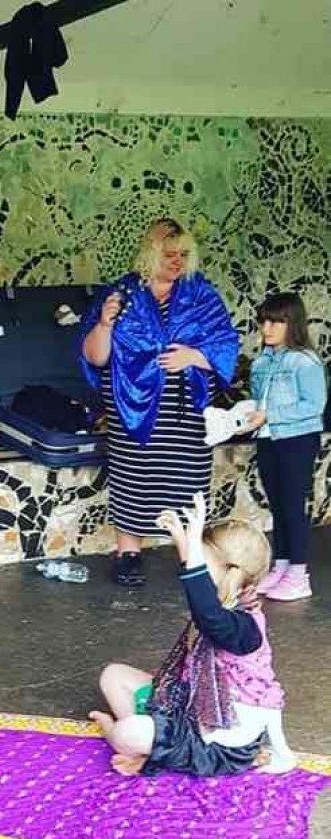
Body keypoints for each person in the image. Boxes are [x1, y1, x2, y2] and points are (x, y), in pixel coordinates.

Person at [80, 219, 239, 587]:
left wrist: (193, 357)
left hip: (184, 411)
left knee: (186, 480)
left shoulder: (201, 294)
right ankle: (128, 554)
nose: (177, 261)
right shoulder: (122, 294)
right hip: (131, 406)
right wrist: (104, 324)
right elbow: (95, 357)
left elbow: (226, 344)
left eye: (184, 254)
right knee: (134, 477)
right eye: (169, 254)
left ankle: (191, 556)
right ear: (151, 253)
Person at [89, 493, 296, 777]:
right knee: (113, 675)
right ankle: (153, 743)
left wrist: (193, 539)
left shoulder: (243, 628)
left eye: (201, 560)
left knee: (127, 731)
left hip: (217, 743)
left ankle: (128, 740)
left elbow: (207, 611)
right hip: (187, 705)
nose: (190, 566)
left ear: (229, 572)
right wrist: (182, 538)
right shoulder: (223, 603)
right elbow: (203, 591)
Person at [245, 293, 328, 602]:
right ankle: (281, 567)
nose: (266, 328)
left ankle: (298, 574)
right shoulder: (262, 361)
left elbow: (314, 405)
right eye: (263, 321)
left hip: (297, 439)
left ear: (291, 322)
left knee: (293, 506)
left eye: (275, 321)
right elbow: (258, 401)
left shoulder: (304, 361)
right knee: (278, 506)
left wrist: (271, 415)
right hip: (268, 439)